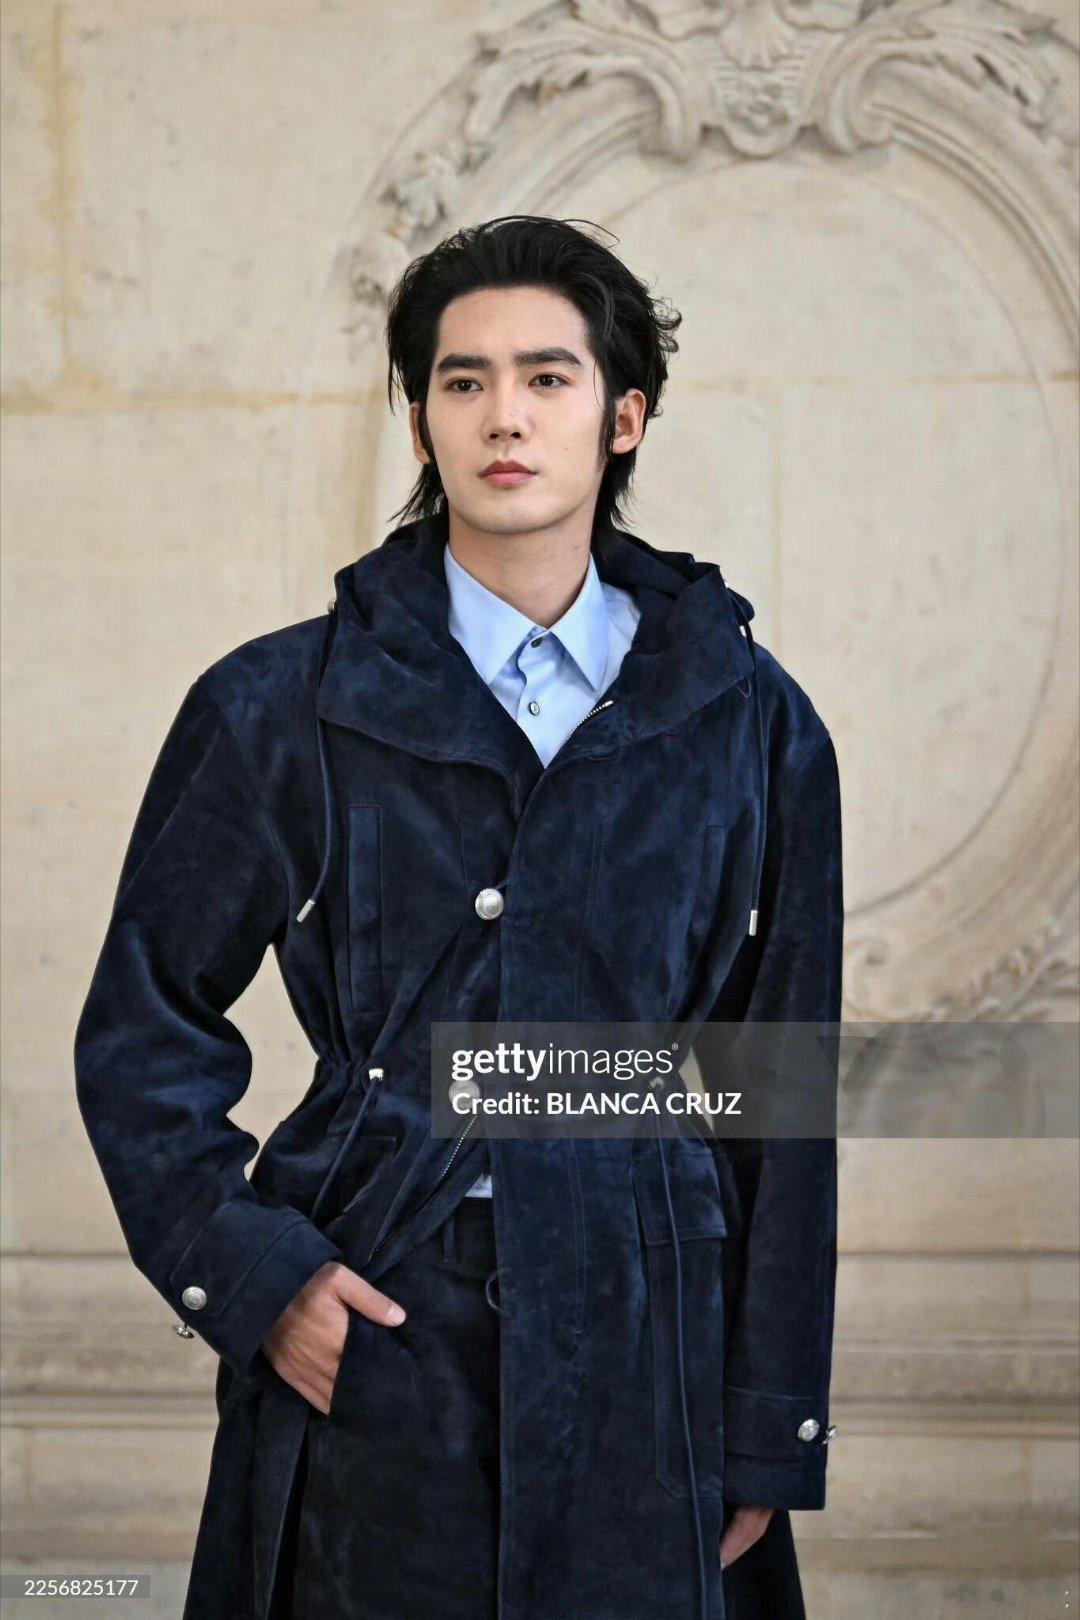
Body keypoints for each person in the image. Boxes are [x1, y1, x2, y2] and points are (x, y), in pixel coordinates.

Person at [74, 215, 843, 1620]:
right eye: (463, 380)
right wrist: (261, 1281)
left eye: (548, 378)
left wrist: (768, 1418)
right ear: (421, 419)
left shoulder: (749, 719)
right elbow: (143, 1029)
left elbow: (776, 1088)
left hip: (651, 1335)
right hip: (381, 1307)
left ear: (623, 417)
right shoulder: (277, 704)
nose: (506, 416)